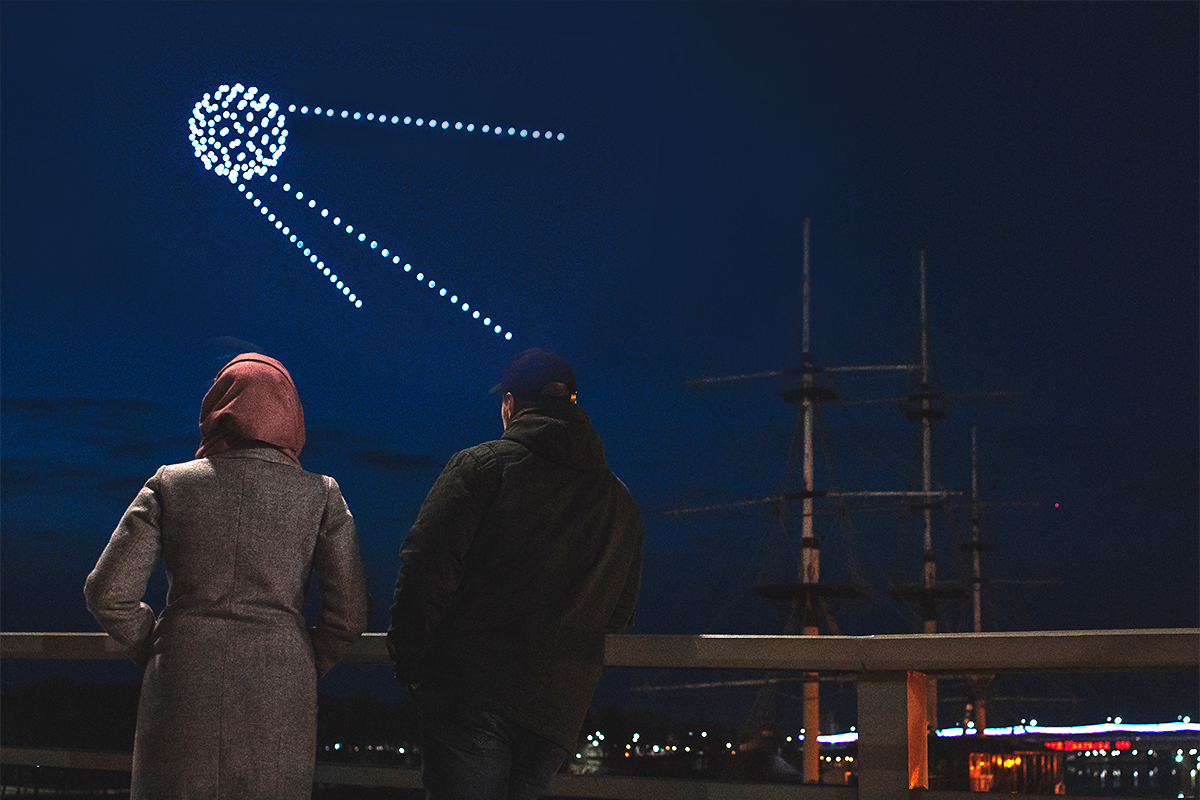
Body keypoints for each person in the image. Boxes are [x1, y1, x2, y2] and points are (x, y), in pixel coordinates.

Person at [84, 353, 371, 800]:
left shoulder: (169, 484)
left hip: (180, 681)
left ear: (216, 408)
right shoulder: (321, 495)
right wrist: (300, 660)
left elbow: (107, 594)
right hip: (280, 692)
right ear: (290, 417)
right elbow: (349, 613)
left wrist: (159, 646)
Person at [388, 348, 643, 800]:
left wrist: (412, 664)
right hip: (557, 708)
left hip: (472, 692)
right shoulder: (619, 501)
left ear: (509, 403)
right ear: (573, 403)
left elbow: (425, 571)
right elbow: (618, 611)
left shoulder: (481, 467)